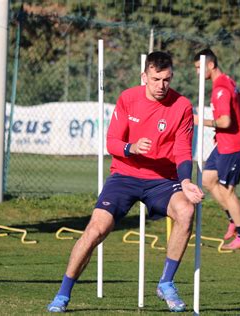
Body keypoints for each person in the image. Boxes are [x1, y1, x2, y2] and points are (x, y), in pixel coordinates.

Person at [47, 51, 204, 313]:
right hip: (125, 175)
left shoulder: (183, 106)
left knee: (186, 210)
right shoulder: (128, 98)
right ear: (144, 76)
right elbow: (112, 143)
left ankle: (166, 282)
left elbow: (183, 151)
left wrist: (186, 180)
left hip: (162, 180)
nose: (161, 86)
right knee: (96, 229)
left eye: (166, 79)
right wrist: (131, 148)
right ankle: (63, 293)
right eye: (155, 79)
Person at [193, 48, 240, 250]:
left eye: (199, 67)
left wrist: (199, 121)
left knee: (228, 192)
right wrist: (228, 128)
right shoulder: (228, 80)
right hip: (224, 143)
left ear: (210, 65)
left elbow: (225, 121)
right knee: (207, 179)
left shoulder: (220, 89)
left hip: (233, 147)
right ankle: (232, 219)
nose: (197, 72)